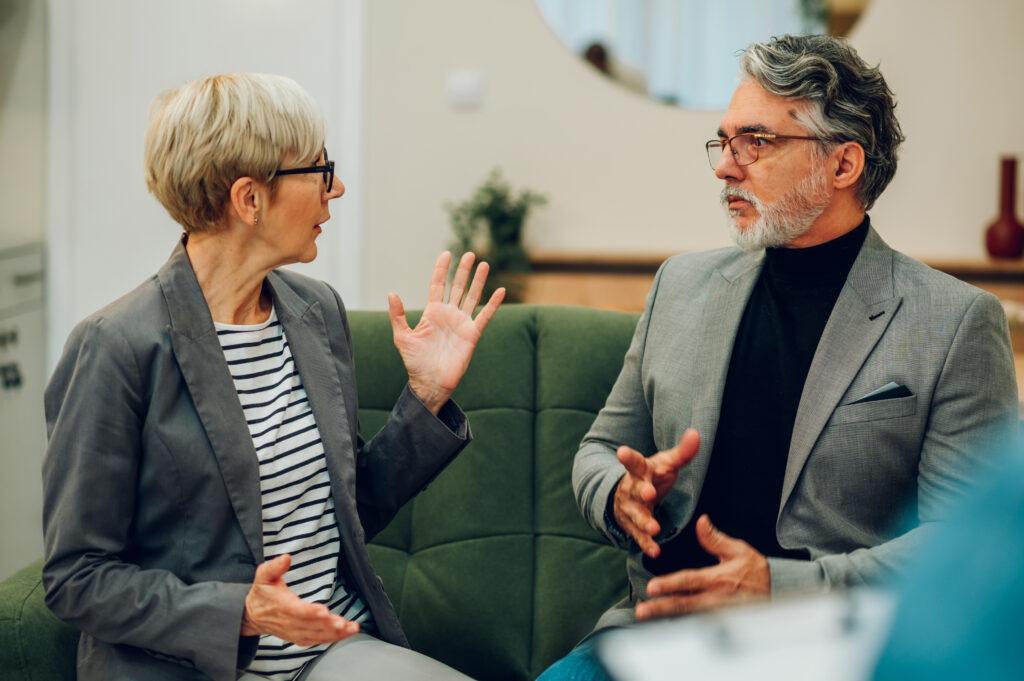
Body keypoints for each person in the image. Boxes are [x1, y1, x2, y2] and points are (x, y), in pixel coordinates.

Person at [539, 34, 1018, 679]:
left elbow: (959, 553)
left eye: (756, 143)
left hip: (825, 649)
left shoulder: (954, 321)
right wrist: (623, 494)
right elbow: (597, 450)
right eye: (725, 141)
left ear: (843, 165)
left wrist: (780, 586)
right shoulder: (679, 287)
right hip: (653, 635)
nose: (725, 166)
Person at [41, 73, 503, 681]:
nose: (335, 188)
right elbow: (76, 577)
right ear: (249, 200)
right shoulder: (116, 347)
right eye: (317, 168)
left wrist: (427, 396)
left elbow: (346, 507)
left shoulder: (316, 313)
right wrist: (240, 611)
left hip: (328, 654)